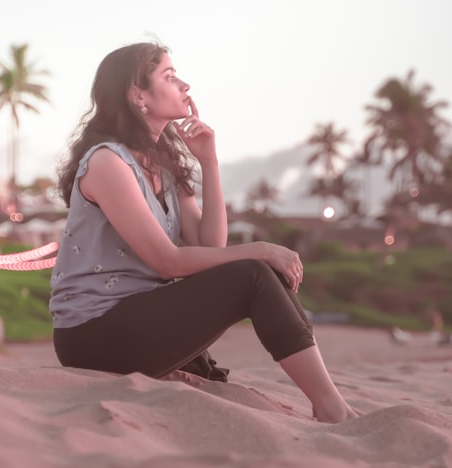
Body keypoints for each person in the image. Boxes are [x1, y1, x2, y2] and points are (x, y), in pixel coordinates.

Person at [49, 42, 359, 423]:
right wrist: (260, 248)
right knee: (253, 271)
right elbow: (167, 262)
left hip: (139, 317)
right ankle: (331, 408)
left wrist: (209, 162)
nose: (185, 85)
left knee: (259, 272)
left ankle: (332, 402)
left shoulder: (165, 167)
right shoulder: (107, 162)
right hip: (92, 332)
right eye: (169, 76)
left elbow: (211, 248)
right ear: (137, 95)